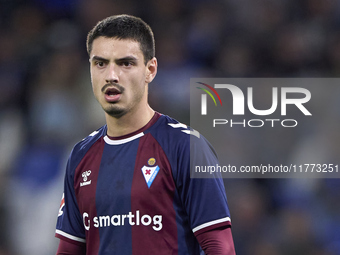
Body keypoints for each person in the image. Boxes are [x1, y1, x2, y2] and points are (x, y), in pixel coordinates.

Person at [55, 14, 235, 255]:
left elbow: (220, 247)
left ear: (150, 69)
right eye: (100, 63)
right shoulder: (80, 155)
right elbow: (70, 249)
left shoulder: (185, 146)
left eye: (125, 63)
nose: (111, 75)